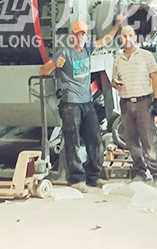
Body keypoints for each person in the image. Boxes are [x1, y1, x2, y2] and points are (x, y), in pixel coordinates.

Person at [39, 16, 124, 193]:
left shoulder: (88, 49)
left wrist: (117, 23)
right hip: (70, 105)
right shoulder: (64, 53)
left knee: (95, 139)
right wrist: (54, 64)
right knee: (73, 141)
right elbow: (42, 71)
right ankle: (76, 179)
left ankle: (94, 176)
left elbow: (106, 40)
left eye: (83, 34)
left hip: (87, 103)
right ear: (72, 36)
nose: (80, 37)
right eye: (77, 34)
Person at [111, 25, 157, 189]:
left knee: (149, 139)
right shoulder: (118, 59)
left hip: (144, 103)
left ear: (135, 37)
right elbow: (114, 80)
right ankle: (139, 172)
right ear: (120, 38)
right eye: (124, 36)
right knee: (131, 139)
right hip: (126, 103)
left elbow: (154, 78)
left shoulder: (146, 56)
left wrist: (156, 100)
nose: (127, 39)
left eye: (130, 36)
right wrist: (116, 84)